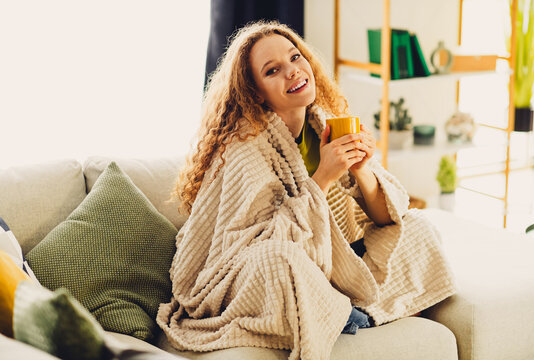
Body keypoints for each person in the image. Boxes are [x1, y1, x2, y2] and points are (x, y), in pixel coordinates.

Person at [157, 21, 456, 360]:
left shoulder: (325, 124)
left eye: (295, 57)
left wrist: (360, 169)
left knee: (418, 228)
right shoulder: (244, 148)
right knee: (280, 260)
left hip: (325, 270)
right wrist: (323, 177)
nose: (293, 72)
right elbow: (256, 247)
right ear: (255, 92)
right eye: (273, 70)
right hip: (255, 275)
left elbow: (387, 217)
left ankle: (348, 314)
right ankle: (356, 312)